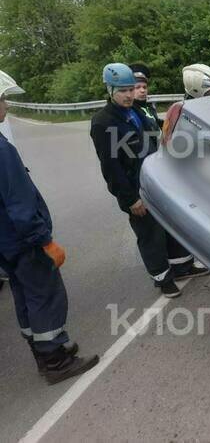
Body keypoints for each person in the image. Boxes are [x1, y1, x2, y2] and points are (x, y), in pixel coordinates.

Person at [0, 69, 99, 384]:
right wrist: (44, 240)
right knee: (45, 295)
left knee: (24, 296)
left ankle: (44, 352)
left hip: (6, 245)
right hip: (23, 241)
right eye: (2, 99)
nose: (6, 105)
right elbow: (19, 202)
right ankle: (54, 361)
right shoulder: (1, 150)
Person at [90, 63, 209, 298]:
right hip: (136, 189)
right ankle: (162, 278)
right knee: (150, 235)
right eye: (122, 91)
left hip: (157, 181)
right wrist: (130, 199)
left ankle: (182, 266)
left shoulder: (136, 110)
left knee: (171, 224)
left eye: (131, 89)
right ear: (110, 89)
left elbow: (155, 138)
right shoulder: (103, 122)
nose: (128, 95)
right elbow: (111, 168)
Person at [130, 63, 162, 128]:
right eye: (138, 87)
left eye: (144, 87)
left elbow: (157, 124)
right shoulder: (130, 112)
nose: (142, 90)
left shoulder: (149, 108)